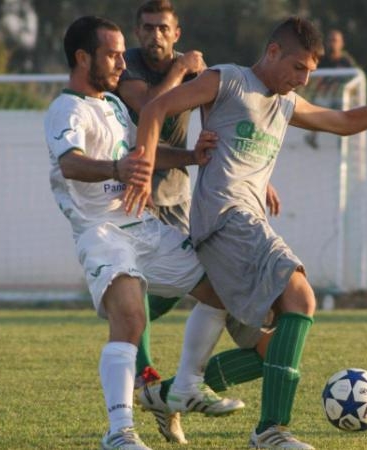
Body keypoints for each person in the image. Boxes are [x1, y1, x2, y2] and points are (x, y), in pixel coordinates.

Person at [127, 17, 367, 449]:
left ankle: (167, 395)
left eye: (310, 71)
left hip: (244, 223)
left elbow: (346, 120)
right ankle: (271, 431)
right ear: (273, 52)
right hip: (227, 219)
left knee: (270, 351)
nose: (304, 79)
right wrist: (143, 172)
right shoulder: (229, 81)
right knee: (301, 296)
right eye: (298, 68)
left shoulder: (287, 105)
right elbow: (154, 109)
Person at [43, 16, 242, 450]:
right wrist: (118, 169)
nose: (121, 63)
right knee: (131, 318)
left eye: (119, 54)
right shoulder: (66, 108)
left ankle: (186, 384)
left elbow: (143, 153)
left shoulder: (112, 105)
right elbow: (71, 164)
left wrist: (192, 155)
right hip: (102, 232)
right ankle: (119, 432)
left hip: (143, 224)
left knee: (223, 287)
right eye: (112, 55)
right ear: (82, 58)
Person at [116, 0, 282, 415]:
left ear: (177, 33)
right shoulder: (127, 67)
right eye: (148, 28)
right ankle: (149, 375)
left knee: (190, 285)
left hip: (178, 193)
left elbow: (223, 119)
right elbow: (150, 106)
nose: (154, 35)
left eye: (162, 29)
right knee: (154, 285)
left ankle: (161, 381)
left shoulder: (199, 73)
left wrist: (260, 178)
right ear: (137, 33)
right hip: (135, 194)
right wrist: (180, 69)